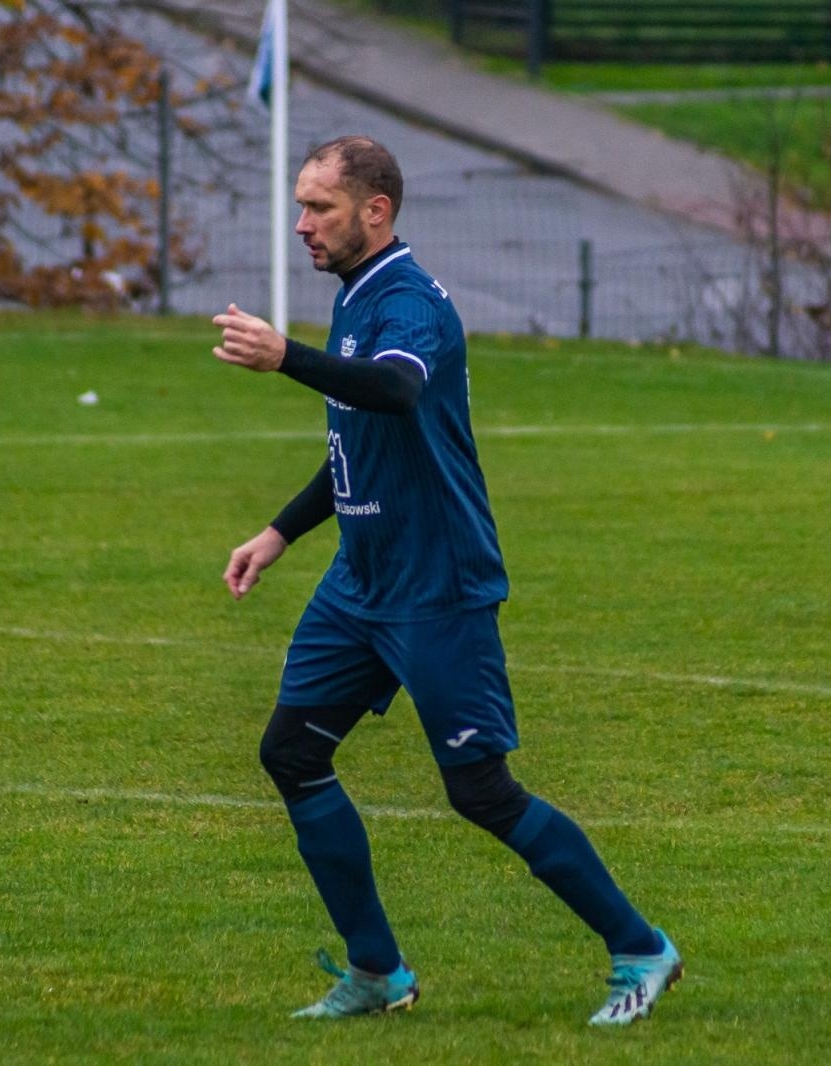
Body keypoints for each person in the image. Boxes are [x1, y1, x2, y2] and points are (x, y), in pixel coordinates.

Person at [211, 135, 682, 1024]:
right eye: (302, 206)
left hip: (437, 587)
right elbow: (361, 439)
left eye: (320, 208)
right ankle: (378, 973)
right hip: (361, 583)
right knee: (293, 754)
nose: (302, 225)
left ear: (375, 211)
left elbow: (391, 393)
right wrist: (279, 532)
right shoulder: (355, 297)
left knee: (481, 793)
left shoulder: (411, 305)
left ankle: (641, 948)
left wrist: (287, 358)